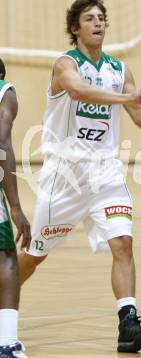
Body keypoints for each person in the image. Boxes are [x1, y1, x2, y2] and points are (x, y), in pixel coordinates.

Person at [18, 0, 141, 353]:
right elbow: (78, 89)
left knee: (123, 242)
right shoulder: (64, 64)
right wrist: (126, 100)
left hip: (105, 173)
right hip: (64, 176)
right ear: (75, 28)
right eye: (89, 18)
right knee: (35, 255)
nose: (98, 23)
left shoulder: (120, 71)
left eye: (101, 17)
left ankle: (128, 323)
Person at [0, 58, 31, 358]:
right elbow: (2, 142)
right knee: (7, 257)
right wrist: (16, 207)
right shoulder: (5, 92)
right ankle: (6, 342)